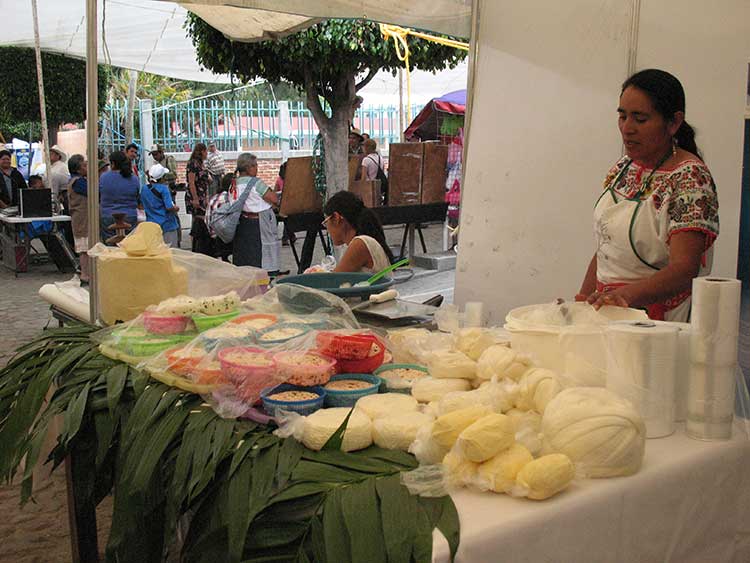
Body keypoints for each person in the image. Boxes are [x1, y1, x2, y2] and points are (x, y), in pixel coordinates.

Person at [577, 69, 719, 322]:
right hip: (612, 310)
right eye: (622, 116)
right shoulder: (624, 168)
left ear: (674, 122)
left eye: (640, 119)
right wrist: (580, 303)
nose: (627, 128)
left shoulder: (690, 179)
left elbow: (683, 269)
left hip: (657, 319)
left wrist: (625, 296)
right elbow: (607, 248)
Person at [322, 191, 394, 273]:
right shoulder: (362, 242)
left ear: (336, 218)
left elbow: (333, 281)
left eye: (325, 222)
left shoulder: (359, 244)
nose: (327, 229)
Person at [232, 152, 281, 273]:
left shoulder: (234, 183)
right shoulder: (256, 183)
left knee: (245, 258)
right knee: (260, 257)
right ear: (248, 168)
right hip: (258, 225)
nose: (257, 168)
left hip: (241, 223)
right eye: (255, 165)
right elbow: (274, 199)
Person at [99, 150, 140, 242]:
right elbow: (137, 195)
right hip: (129, 215)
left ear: (112, 163)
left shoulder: (103, 177)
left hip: (108, 215)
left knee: (110, 247)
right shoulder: (134, 178)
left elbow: (100, 194)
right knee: (129, 245)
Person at [141, 164, 180, 248]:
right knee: (170, 251)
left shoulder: (144, 189)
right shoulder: (163, 189)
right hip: (167, 225)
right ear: (162, 178)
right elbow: (169, 207)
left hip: (152, 224)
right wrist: (176, 208)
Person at [66, 154, 90, 284]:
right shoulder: (78, 182)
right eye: (84, 166)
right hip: (82, 218)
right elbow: (92, 191)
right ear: (78, 169)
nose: (87, 168)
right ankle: (85, 273)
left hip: (82, 218)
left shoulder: (78, 180)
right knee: (84, 247)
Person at [185, 142, 212, 255]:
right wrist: (195, 198)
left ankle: (199, 245)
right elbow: (191, 182)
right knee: (198, 221)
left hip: (202, 195)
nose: (207, 154)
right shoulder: (193, 164)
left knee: (200, 221)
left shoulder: (201, 164)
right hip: (195, 196)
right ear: (201, 151)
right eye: (206, 151)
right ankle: (196, 246)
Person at [206, 172, 237, 262]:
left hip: (213, 238)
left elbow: (207, 220)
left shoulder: (214, 197)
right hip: (224, 240)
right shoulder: (229, 199)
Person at [360, 138, 389, 204]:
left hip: (369, 187)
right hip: (379, 187)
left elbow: (363, 177)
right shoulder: (380, 158)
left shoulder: (366, 160)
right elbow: (382, 171)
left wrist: (361, 189)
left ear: (367, 147)